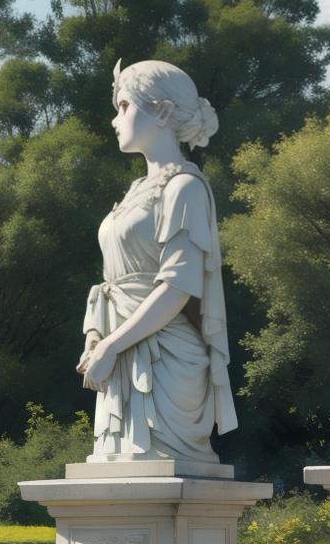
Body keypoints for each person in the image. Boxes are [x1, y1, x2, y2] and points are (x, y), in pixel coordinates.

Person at [78, 59, 237, 462]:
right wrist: (97, 338)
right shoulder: (135, 190)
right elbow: (110, 284)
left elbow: (177, 287)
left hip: (164, 362)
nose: (115, 120)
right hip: (121, 356)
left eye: (125, 106)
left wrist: (112, 345)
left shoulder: (185, 187)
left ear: (162, 112)